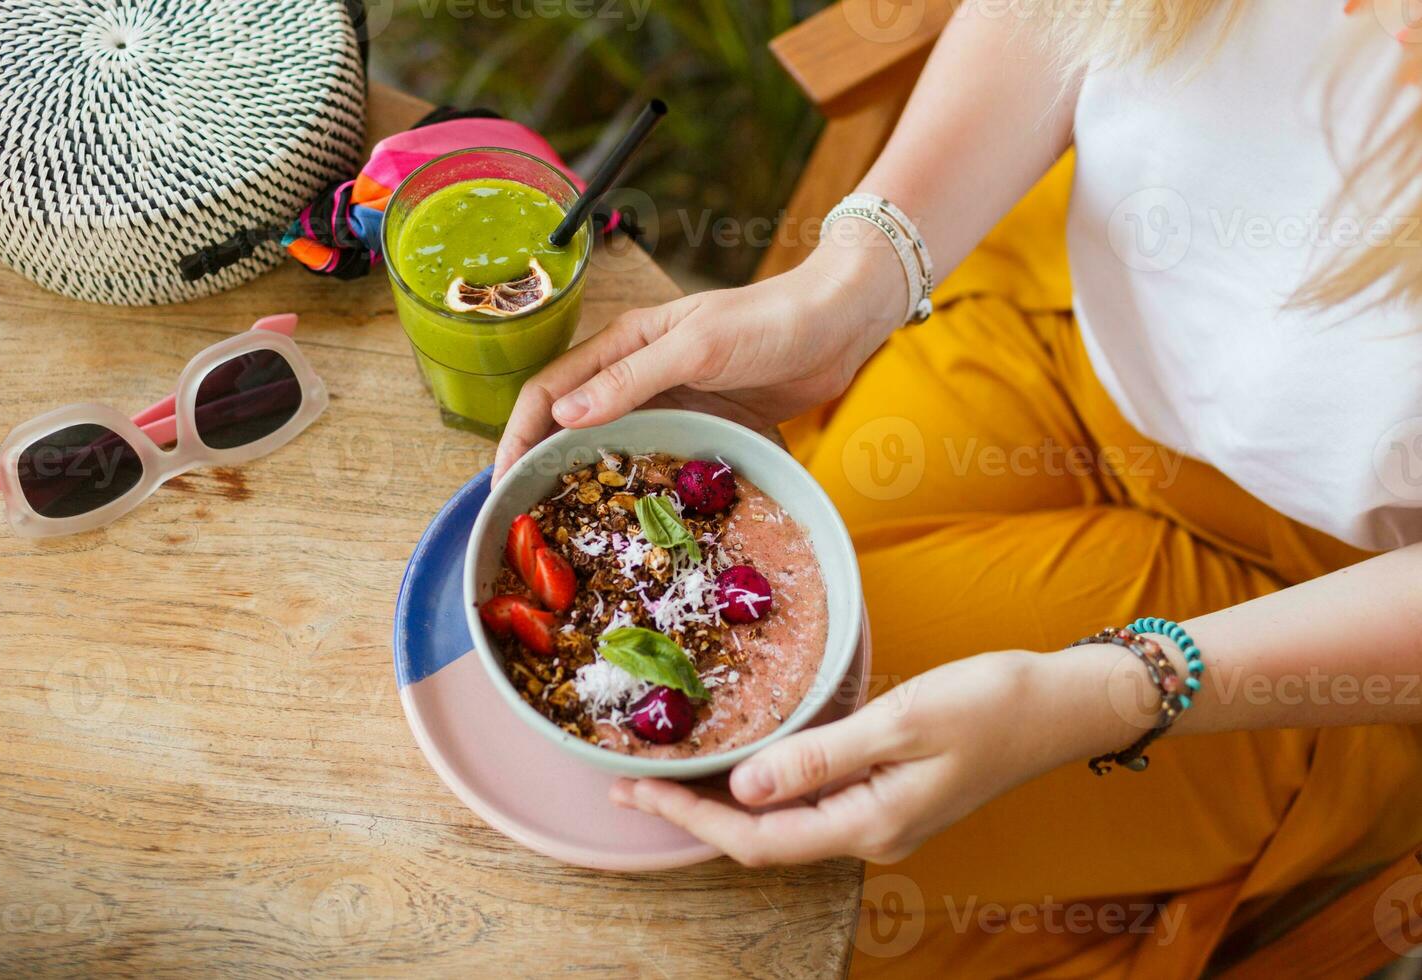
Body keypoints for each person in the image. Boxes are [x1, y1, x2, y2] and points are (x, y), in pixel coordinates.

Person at [494, 2, 1422, 974]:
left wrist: (1108, 695)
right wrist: (853, 283)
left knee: (754, 878)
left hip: (1315, 607)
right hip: (1054, 320)